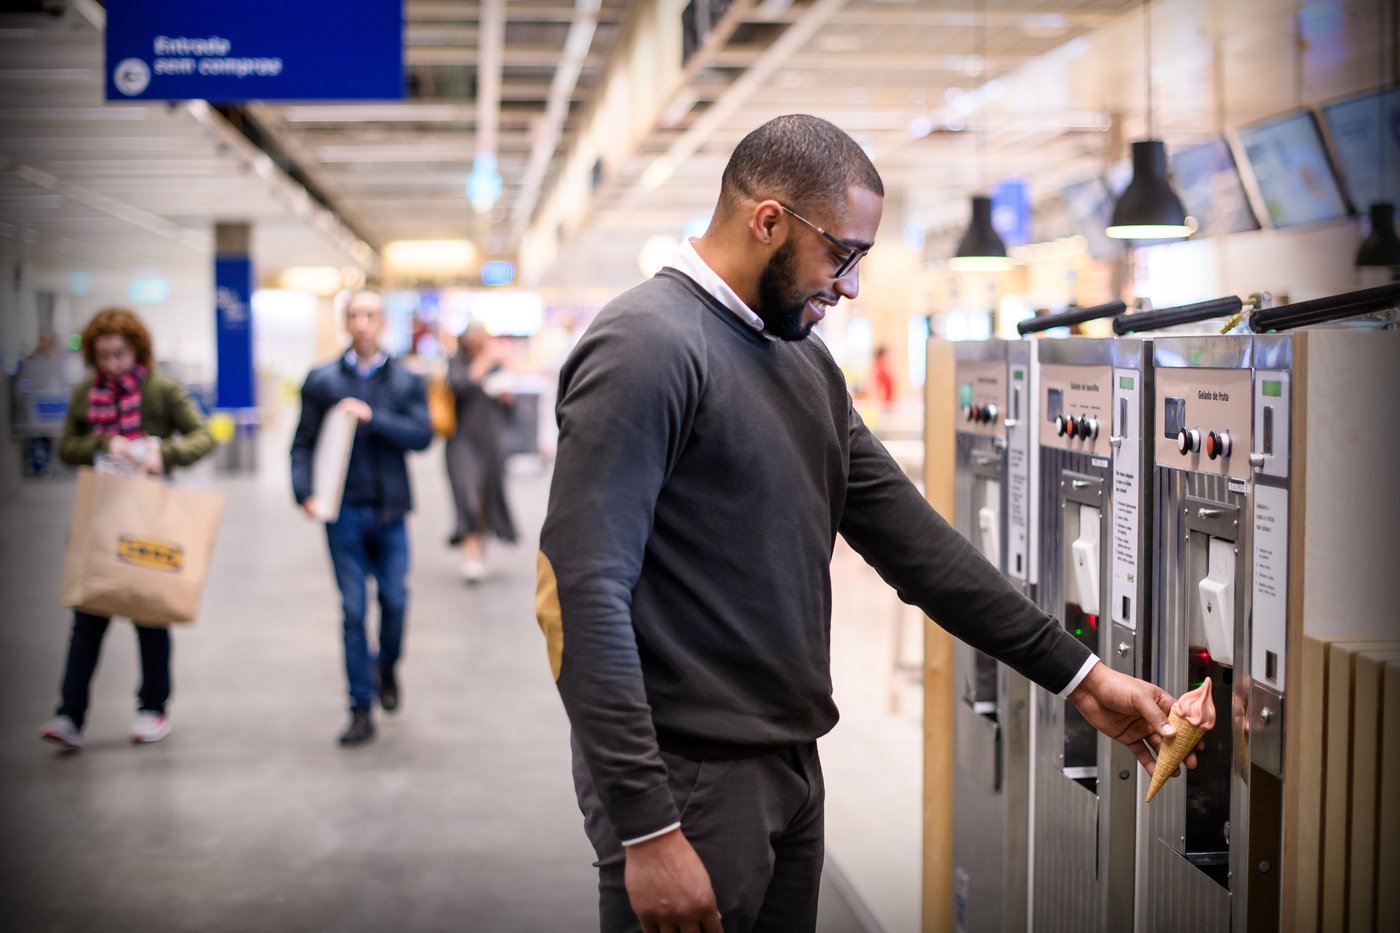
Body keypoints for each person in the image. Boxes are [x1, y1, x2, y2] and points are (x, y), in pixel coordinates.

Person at [534, 114, 1200, 932]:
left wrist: (1084, 676)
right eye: (841, 254)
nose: (849, 286)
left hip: (789, 767)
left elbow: (919, 547)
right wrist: (646, 824)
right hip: (688, 784)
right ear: (769, 220)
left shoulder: (803, 361)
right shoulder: (647, 347)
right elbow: (577, 595)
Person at [39, 308, 214, 749]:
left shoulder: (160, 389)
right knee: (87, 617)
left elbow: (202, 436)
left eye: (119, 354)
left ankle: (153, 708)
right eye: (103, 357)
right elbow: (66, 447)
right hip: (101, 514)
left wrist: (161, 454)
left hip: (148, 516)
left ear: (137, 350)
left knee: (150, 615)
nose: (112, 364)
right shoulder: (86, 393)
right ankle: (69, 715)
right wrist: (103, 443)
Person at [290, 290, 432, 746]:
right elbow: (302, 443)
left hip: (390, 513)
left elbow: (422, 436)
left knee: (394, 602)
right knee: (353, 611)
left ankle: (386, 666)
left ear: (382, 322)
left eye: (370, 315)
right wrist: (304, 493)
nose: (362, 323)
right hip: (343, 512)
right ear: (344, 323)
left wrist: (373, 418)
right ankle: (359, 706)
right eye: (354, 315)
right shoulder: (323, 381)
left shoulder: (406, 381)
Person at [444, 323, 518, 583]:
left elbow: (510, 412)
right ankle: (471, 554)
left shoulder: (497, 366)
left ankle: (478, 553)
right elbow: (459, 386)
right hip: (462, 441)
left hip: (491, 442)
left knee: (487, 498)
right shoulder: (457, 363)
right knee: (467, 497)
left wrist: (508, 397)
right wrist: (484, 363)